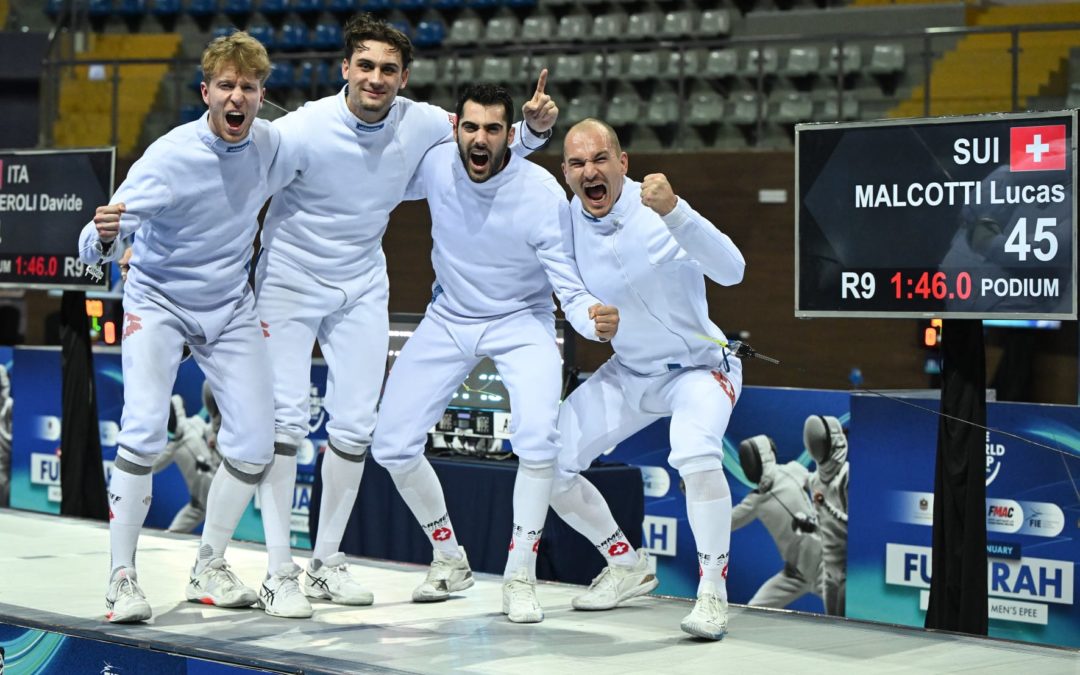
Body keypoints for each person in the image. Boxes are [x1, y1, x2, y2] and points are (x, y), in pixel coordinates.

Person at [251, 13, 559, 618]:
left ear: (404, 76)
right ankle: (277, 570)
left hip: (362, 283)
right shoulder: (303, 129)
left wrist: (533, 134)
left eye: (388, 69)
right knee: (285, 425)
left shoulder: (421, 122)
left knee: (356, 428)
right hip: (289, 281)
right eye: (365, 65)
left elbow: (483, 149)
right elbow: (241, 191)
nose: (375, 77)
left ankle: (325, 564)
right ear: (345, 68)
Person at [371, 84, 618, 624]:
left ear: (510, 136)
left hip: (520, 321)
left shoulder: (541, 193)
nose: (479, 139)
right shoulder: (437, 165)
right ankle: (448, 556)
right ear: (457, 127)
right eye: (470, 127)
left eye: (492, 130)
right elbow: (374, 180)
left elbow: (568, 288)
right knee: (390, 445)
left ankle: (519, 575)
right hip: (448, 318)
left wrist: (591, 321)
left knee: (537, 440)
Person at [78, 31, 280, 623]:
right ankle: (121, 579)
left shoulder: (271, 144)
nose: (236, 97)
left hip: (227, 304)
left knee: (254, 441)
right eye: (226, 86)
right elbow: (91, 244)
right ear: (206, 92)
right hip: (158, 300)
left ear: (261, 95)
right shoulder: (169, 155)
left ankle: (208, 566)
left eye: (247, 87)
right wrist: (106, 234)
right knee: (142, 429)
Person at [548, 119, 745, 640]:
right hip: (628, 372)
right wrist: (587, 318)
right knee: (547, 460)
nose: (589, 172)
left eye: (599, 160)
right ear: (566, 173)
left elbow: (734, 270)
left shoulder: (659, 208)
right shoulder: (565, 221)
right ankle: (626, 563)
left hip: (698, 369)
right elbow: (568, 294)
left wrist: (679, 213)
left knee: (696, 454)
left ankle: (712, 593)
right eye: (576, 164)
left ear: (622, 162)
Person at [732, 434, 823, 609]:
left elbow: (821, 488)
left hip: (823, 565)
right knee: (754, 610)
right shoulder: (756, 499)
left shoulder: (793, 470)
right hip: (795, 574)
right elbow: (725, 523)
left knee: (847, 608)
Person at [151, 384, 223, 533]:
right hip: (200, 500)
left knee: (222, 512)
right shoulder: (172, 448)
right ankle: (170, 536)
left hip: (220, 478)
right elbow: (153, 466)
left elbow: (210, 431)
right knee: (195, 513)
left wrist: (212, 435)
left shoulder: (195, 423)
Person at [803, 415, 849, 616]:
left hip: (849, 572)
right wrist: (807, 524)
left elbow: (853, 527)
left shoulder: (846, 476)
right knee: (831, 627)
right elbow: (823, 526)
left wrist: (826, 506)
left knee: (849, 631)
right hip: (828, 572)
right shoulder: (814, 481)